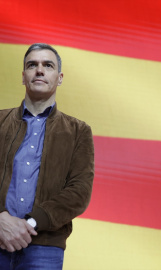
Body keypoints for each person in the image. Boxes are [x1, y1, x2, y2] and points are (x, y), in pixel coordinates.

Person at [0, 43, 95, 269]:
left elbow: (79, 192)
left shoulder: (78, 131)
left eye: (48, 65)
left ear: (59, 77)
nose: (39, 70)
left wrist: (31, 223)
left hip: (45, 248)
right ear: (23, 76)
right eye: (32, 65)